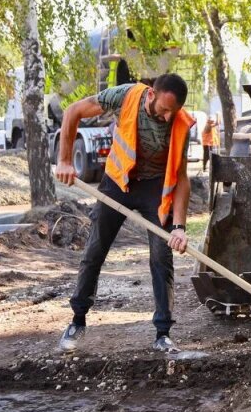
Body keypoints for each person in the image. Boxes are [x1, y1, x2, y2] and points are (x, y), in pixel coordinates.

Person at [54, 73, 195, 353]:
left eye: (173, 111)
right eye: (164, 110)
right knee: (95, 251)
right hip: (118, 182)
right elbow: (73, 111)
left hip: (154, 188)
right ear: (151, 95)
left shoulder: (181, 123)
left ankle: (163, 333)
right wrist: (66, 160)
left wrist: (179, 226)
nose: (168, 117)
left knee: (161, 257)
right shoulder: (125, 96)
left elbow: (181, 178)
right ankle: (77, 320)